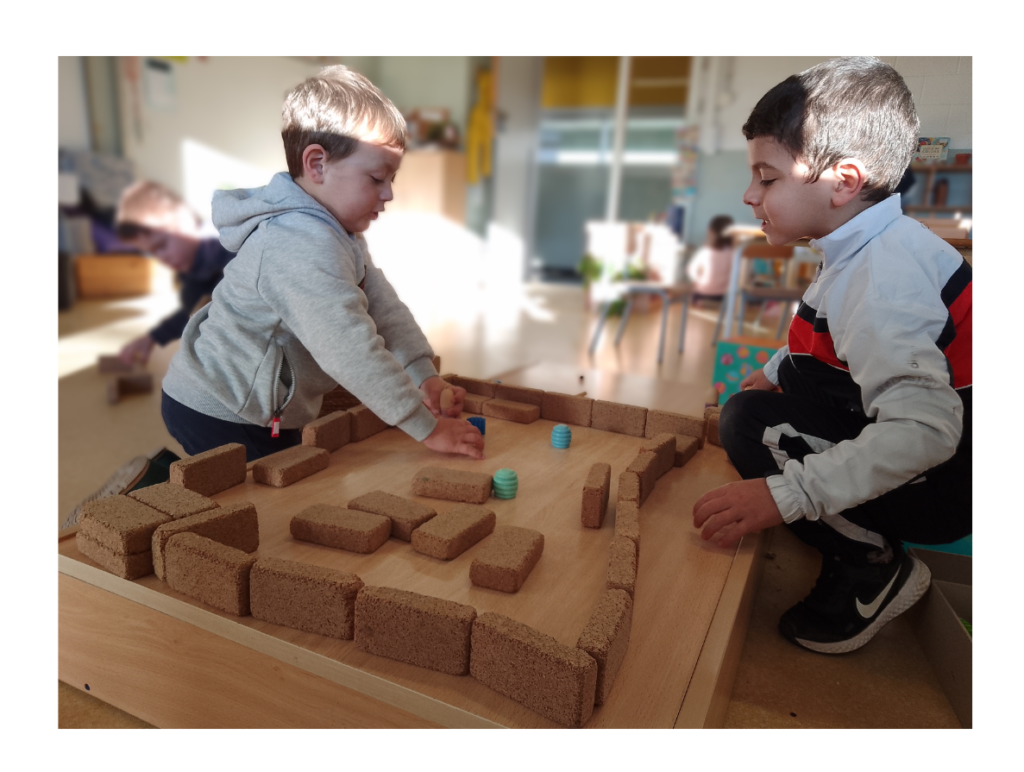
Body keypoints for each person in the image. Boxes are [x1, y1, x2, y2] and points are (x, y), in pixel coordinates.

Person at [692, 57, 971, 654]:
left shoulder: (883, 280)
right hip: (942, 454)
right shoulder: (863, 243)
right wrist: (774, 369)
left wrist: (785, 494)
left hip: (944, 481)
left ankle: (870, 563)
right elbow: (826, 332)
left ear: (843, 182)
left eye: (767, 178)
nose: (749, 195)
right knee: (764, 398)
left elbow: (927, 432)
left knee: (746, 425)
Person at [160, 66, 484, 463]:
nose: (388, 194)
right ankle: (151, 477)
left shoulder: (340, 234)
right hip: (222, 407)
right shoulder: (297, 242)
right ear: (317, 165)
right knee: (264, 496)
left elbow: (383, 308)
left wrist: (423, 374)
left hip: (264, 407)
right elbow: (348, 348)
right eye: (376, 178)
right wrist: (426, 427)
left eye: (392, 179)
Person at [114, 181, 236, 365]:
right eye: (152, 253)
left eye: (161, 245)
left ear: (187, 219)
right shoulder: (193, 271)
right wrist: (153, 337)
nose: (162, 258)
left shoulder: (229, 254)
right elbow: (192, 312)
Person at [685, 214, 735, 305]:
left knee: (691, 291)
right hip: (723, 298)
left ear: (710, 231)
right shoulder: (733, 253)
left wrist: (698, 280)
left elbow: (691, 271)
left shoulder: (705, 252)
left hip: (702, 295)